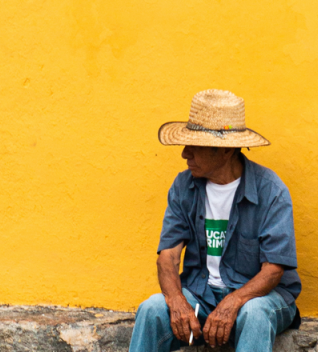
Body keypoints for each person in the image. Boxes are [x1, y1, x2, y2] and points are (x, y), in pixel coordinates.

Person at [129, 89, 301, 352]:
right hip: (201, 294)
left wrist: (232, 303)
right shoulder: (183, 186)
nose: (185, 153)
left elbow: (273, 271)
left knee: (254, 315)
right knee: (151, 309)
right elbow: (168, 257)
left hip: (256, 298)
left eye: (194, 145)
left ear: (224, 151)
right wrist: (175, 301)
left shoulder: (270, 190)